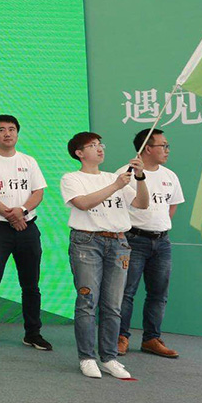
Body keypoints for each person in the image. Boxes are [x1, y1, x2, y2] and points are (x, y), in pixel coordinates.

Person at [60, 132, 148, 380]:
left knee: (113, 305)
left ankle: (109, 358)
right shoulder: (72, 178)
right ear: (79, 153)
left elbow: (142, 204)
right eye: (93, 145)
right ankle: (87, 357)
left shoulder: (113, 177)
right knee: (87, 301)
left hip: (119, 243)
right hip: (87, 243)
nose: (100, 149)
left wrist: (140, 178)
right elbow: (83, 203)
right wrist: (116, 186)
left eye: (100, 145)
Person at [0, 114, 51, 351]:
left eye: (12, 129)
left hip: (27, 227)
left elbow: (38, 192)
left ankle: (33, 334)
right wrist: (11, 216)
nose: (7, 133)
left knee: (31, 285)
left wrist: (22, 211)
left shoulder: (29, 161)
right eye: (2, 129)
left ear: (17, 133)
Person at [118, 129, 184, 358]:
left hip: (162, 242)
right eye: (162, 146)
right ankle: (120, 337)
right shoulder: (125, 173)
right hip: (133, 240)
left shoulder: (170, 176)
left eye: (167, 146)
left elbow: (172, 205)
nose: (167, 150)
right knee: (126, 292)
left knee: (158, 293)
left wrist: (159, 227)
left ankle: (151, 339)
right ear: (147, 148)